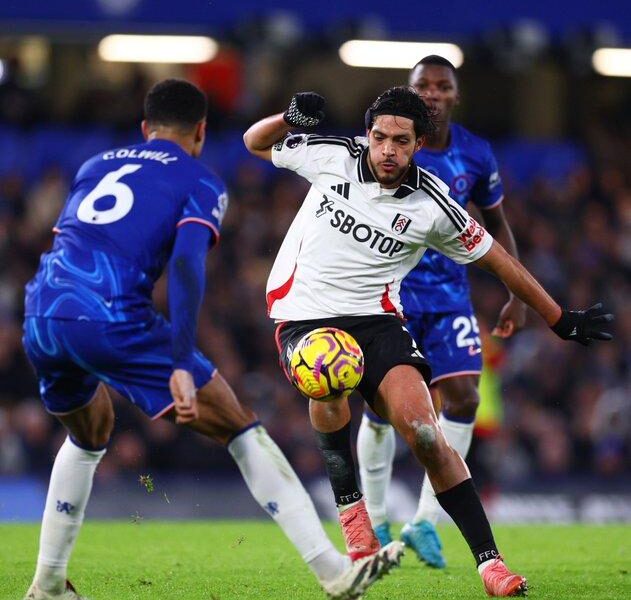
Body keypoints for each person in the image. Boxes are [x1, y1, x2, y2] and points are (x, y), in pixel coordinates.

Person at [21, 79, 403, 600]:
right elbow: (184, 264)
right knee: (240, 427)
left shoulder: (95, 165)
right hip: (111, 314)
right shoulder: (199, 180)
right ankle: (334, 572)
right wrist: (180, 359)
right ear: (200, 132)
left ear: (144, 129)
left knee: (90, 432)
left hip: (43, 310)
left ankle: (47, 585)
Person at [243, 86, 613, 597]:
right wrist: (288, 118)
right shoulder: (335, 155)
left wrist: (557, 317)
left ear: (419, 144)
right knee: (330, 372)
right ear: (367, 136)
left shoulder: (432, 203)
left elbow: (498, 261)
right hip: (304, 317)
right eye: (379, 138)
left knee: (423, 433)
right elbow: (254, 142)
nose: (387, 150)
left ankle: (491, 564)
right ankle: (355, 522)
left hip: (377, 322)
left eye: (400, 140)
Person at [356, 54, 525, 568]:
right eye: (421, 84)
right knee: (379, 409)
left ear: (455, 94)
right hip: (391, 291)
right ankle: (379, 516)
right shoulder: (388, 145)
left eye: (441, 85)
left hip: (449, 293)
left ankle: (425, 523)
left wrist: (517, 290)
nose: (431, 92)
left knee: (465, 398)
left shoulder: (475, 154)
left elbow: (495, 222)